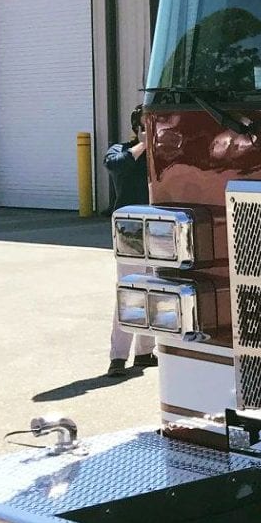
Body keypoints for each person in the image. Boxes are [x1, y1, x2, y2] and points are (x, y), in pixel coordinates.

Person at [105, 107, 156, 378]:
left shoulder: (160, 153)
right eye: (145, 126)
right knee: (130, 290)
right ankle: (118, 356)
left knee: (157, 289)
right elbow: (115, 165)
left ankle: (145, 351)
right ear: (136, 128)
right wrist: (143, 145)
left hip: (159, 228)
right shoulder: (122, 150)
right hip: (130, 229)